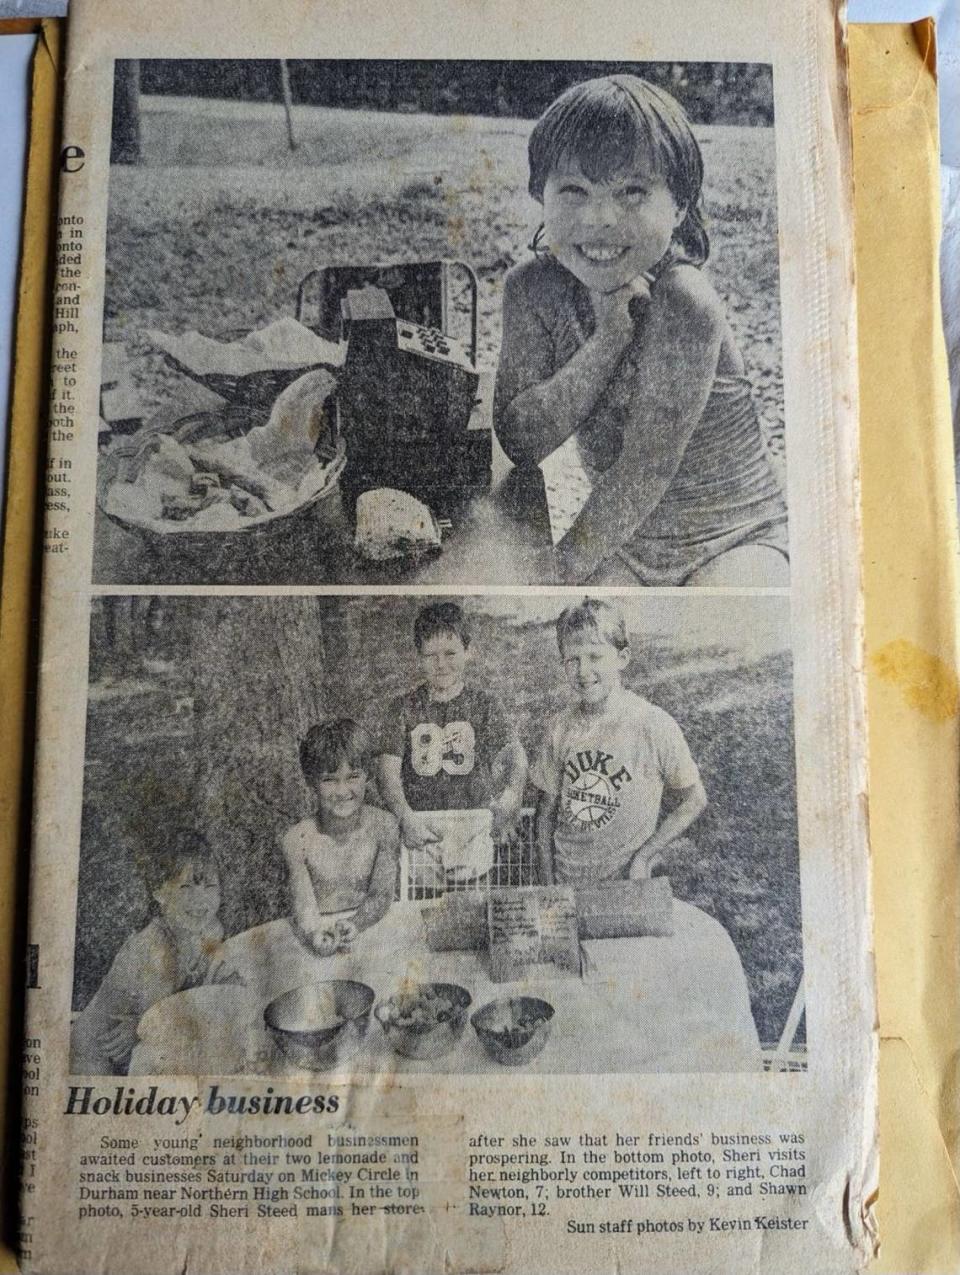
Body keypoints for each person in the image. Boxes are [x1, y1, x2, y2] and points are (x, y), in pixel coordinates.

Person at [493, 74, 788, 587]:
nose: (600, 218)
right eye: (573, 190)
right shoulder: (530, 290)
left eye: (632, 192)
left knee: (717, 623)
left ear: (679, 205)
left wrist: (556, 574)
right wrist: (608, 341)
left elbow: (644, 470)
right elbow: (520, 442)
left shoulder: (684, 300)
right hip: (628, 538)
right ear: (540, 195)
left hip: (735, 533)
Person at [532, 598, 707, 886]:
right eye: (572, 660)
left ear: (622, 658)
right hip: (569, 882)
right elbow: (545, 814)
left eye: (595, 657)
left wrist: (645, 857)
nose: (583, 671)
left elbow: (694, 799)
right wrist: (550, 885)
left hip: (626, 883)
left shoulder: (653, 724)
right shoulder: (560, 728)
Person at [375, 602, 527, 889]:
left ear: (469, 652)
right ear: (419, 657)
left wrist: (512, 796)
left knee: (474, 910)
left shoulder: (484, 705)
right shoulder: (403, 708)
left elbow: (514, 755)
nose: (441, 664)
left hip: (471, 827)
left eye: (450, 653)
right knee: (425, 914)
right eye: (431, 656)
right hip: (423, 828)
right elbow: (387, 771)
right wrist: (405, 817)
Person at [70, 831, 224, 1075]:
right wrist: (139, 1026)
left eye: (210, 886)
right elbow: (155, 1022)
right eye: (186, 887)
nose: (201, 900)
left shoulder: (212, 929)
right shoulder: (152, 947)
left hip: (131, 1045)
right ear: (159, 893)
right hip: (94, 1054)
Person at [283, 719, 400, 955]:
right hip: (318, 936)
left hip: (371, 928)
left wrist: (357, 924)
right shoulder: (298, 839)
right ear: (311, 782)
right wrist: (315, 933)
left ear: (368, 776)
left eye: (353, 777)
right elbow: (303, 906)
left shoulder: (384, 826)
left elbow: (381, 894)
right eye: (329, 780)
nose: (342, 791)